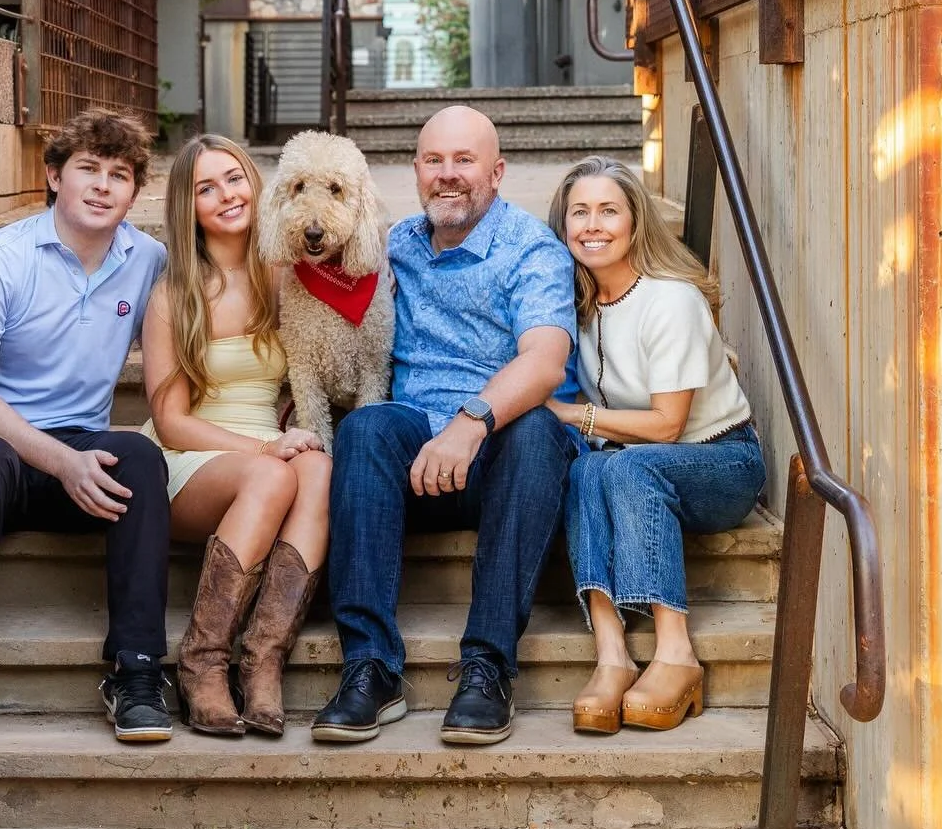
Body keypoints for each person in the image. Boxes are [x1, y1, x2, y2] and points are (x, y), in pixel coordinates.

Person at [312, 106, 577, 748]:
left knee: (539, 431)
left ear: (497, 172)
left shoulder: (531, 249)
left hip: (498, 458)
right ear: (417, 171)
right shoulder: (395, 243)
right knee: (366, 429)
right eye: (435, 161)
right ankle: (369, 669)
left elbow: (544, 361)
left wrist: (472, 421)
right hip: (414, 455)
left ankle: (488, 669)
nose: (449, 175)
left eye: (465, 161)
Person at [0, 109, 174, 753]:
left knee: (138, 457)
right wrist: (61, 461)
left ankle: (138, 673)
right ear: (54, 176)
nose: (103, 185)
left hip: (77, 454)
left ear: (135, 193)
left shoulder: (148, 260)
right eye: (88, 169)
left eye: (120, 175)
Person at [545, 155, 766, 734]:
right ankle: (613, 655)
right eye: (580, 212)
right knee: (585, 472)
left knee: (626, 468)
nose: (592, 225)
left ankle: (675, 653)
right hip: (636, 464)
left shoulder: (670, 300)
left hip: (722, 462)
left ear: (636, 222)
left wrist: (573, 413)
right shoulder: (579, 307)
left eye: (608, 211)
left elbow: (668, 425)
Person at [142, 135, 330, 737]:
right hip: (189, 456)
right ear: (187, 207)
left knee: (318, 467)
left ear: (255, 183)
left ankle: (264, 659)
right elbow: (171, 420)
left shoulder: (287, 275)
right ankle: (201, 662)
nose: (226, 195)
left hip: (267, 451)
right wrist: (263, 448)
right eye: (206, 188)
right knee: (275, 471)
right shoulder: (174, 294)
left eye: (234, 178)